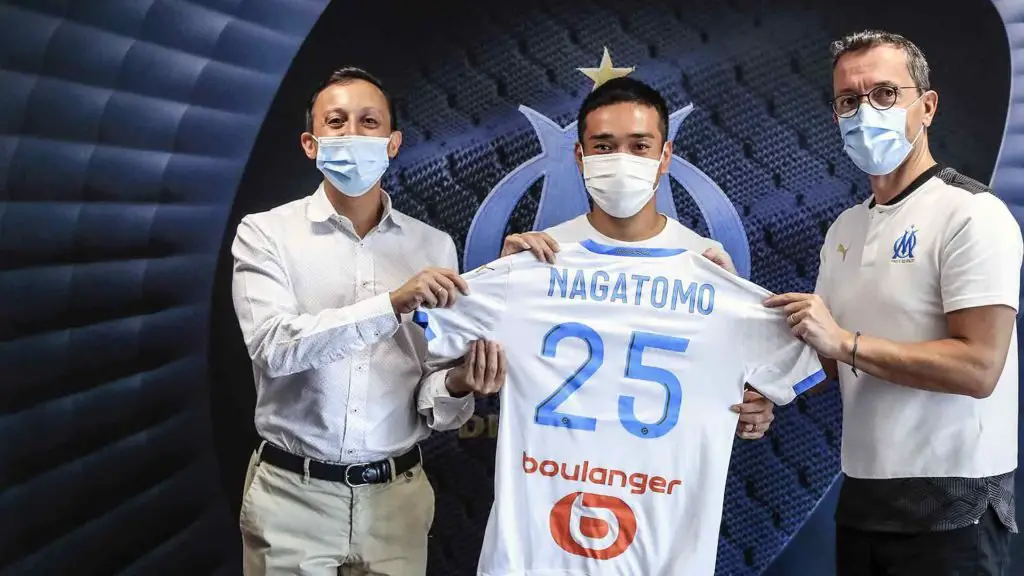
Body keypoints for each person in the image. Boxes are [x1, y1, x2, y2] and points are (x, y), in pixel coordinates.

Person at [230, 67, 507, 576]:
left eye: (369, 121)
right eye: (336, 122)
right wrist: (391, 304)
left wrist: (461, 383)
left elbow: (434, 397)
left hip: (396, 501)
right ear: (311, 144)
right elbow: (273, 347)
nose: (352, 133)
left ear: (393, 143)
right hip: (292, 499)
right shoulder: (265, 234)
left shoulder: (433, 246)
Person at [765, 30, 1021, 575]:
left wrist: (846, 343)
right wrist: (767, 387)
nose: (865, 112)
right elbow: (825, 358)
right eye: (848, 101)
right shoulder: (845, 227)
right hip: (863, 501)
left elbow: (979, 367)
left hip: (956, 508)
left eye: (884, 94)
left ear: (926, 107)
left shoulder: (972, 213)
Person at [500, 76, 777, 439]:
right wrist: (505, 286)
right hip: (556, 467)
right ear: (580, 156)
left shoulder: (707, 263)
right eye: (603, 147)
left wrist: (751, 409)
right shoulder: (538, 256)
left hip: (663, 471)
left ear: (665, 156)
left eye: (640, 146)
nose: (621, 160)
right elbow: (480, 369)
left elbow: (746, 387)